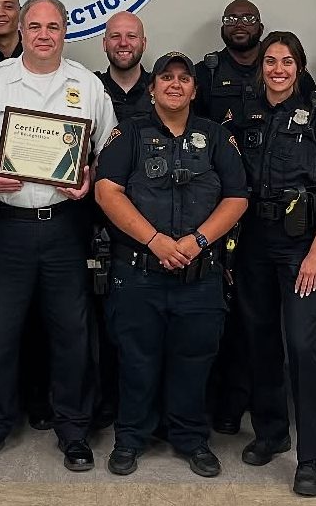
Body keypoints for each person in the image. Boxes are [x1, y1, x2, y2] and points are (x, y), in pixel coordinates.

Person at [0, 0, 116, 472]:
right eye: (35, 26)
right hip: (6, 228)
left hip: (65, 227)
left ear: (65, 32)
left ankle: (74, 431)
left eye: (53, 26)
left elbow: (108, 153)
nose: (44, 35)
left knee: (72, 333)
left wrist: (90, 179)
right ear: (22, 31)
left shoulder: (87, 85)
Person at [96, 51, 249, 477]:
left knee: (194, 361)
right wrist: (155, 241)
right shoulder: (128, 133)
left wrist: (197, 241)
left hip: (200, 276)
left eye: (184, 78)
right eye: (166, 77)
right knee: (136, 360)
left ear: (195, 90)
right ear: (152, 88)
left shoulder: (216, 136)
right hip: (139, 272)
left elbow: (237, 197)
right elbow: (106, 191)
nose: (175, 84)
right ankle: (131, 438)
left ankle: (190, 438)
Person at [234, 31, 316, 496]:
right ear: (260, 67)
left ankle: (309, 459)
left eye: (286, 62)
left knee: (302, 348)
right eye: (270, 61)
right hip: (253, 244)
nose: (278, 69)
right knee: (260, 341)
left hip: (301, 245)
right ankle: (271, 433)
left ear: (299, 68)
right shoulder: (243, 115)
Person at [194, 0, 314, 434]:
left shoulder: (301, 93)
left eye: (248, 19)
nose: (240, 25)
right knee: (239, 320)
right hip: (231, 214)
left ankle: (284, 420)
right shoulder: (208, 72)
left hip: (290, 225)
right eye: (232, 19)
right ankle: (233, 405)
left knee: (288, 332)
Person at [90, 10, 151, 428]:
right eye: (115, 36)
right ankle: (104, 403)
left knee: (146, 319)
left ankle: (146, 409)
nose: (123, 43)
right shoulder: (88, 88)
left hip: (154, 221)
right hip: (97, 218)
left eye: (131, 36)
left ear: (143, 43)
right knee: (101, 317)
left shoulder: (164, 86)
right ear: (105, 43)